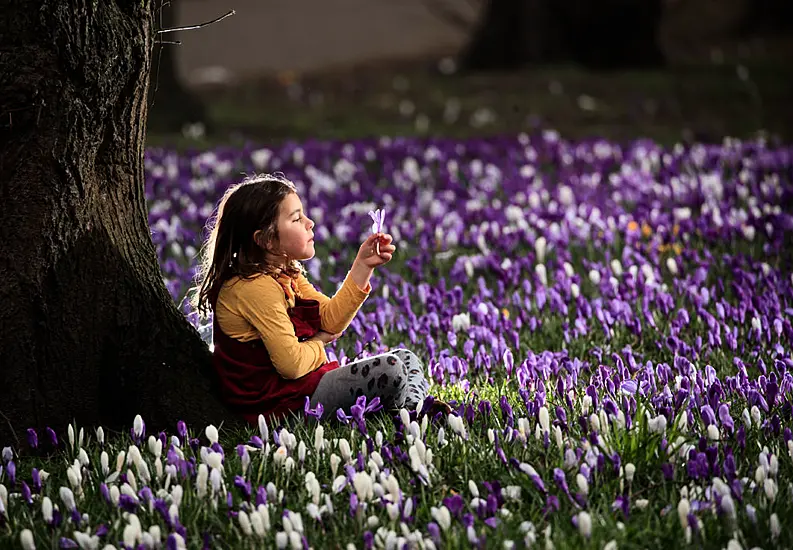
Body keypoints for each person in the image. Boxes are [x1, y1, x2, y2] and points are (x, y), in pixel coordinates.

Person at [193, 173, 434, 425]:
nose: (310, 223)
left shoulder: (285, 272)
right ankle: (413, 411)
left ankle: (412, 410)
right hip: (280, 406)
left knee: (408, 359)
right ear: (266, 239)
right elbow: (292, 364)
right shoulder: (254, 287)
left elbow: (330, 320)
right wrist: (319, 342)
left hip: (300, 388)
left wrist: (363, 265)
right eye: (297, 218)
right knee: (392, 368)